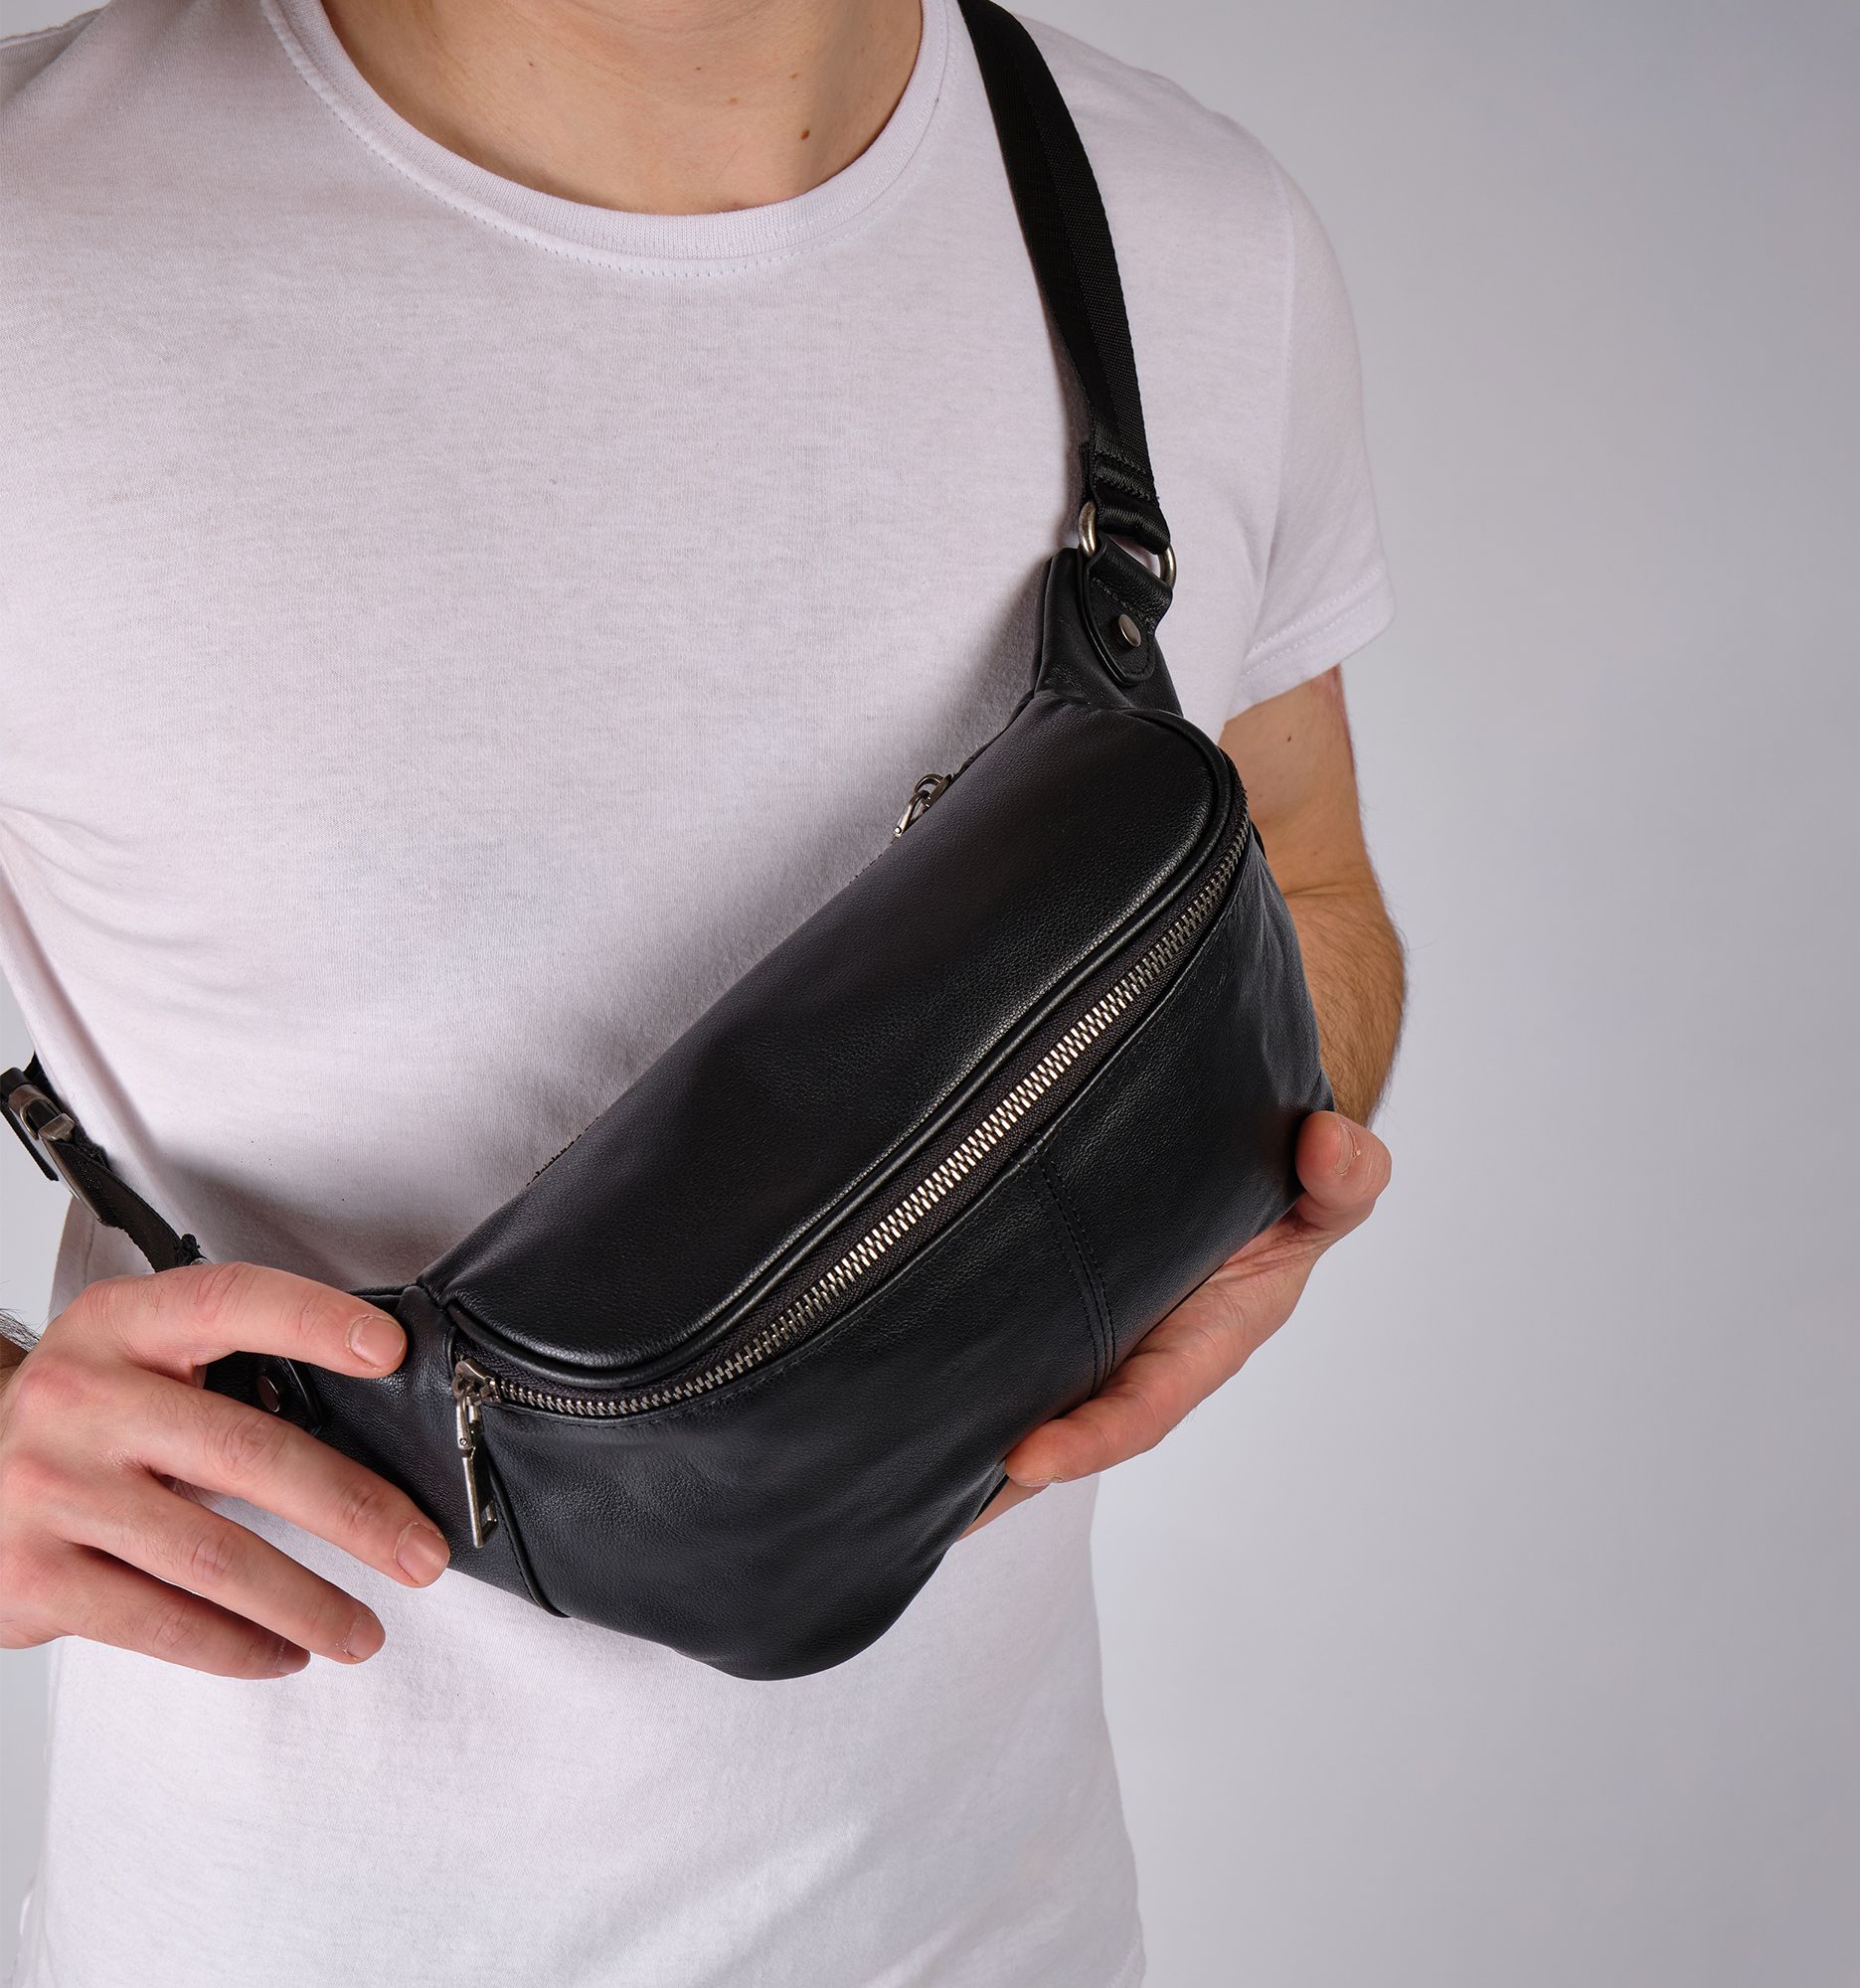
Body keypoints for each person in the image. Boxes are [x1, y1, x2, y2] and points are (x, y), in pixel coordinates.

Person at [0, 0, 1404, 1979]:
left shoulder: (1189, 228)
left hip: (1003, 1928)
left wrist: (1245, 1187)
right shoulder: (40, 230)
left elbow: (1304, 875)